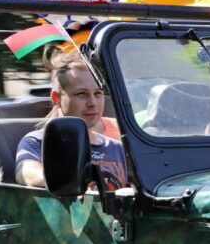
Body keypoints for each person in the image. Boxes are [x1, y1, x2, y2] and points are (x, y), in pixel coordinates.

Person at [15, 52, 127, 190]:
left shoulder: (118, 148)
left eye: (98, 93)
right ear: (56, 98)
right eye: (82, 94)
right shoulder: (38, 142)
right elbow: (24, 172)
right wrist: (67, 180)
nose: (92, 103)